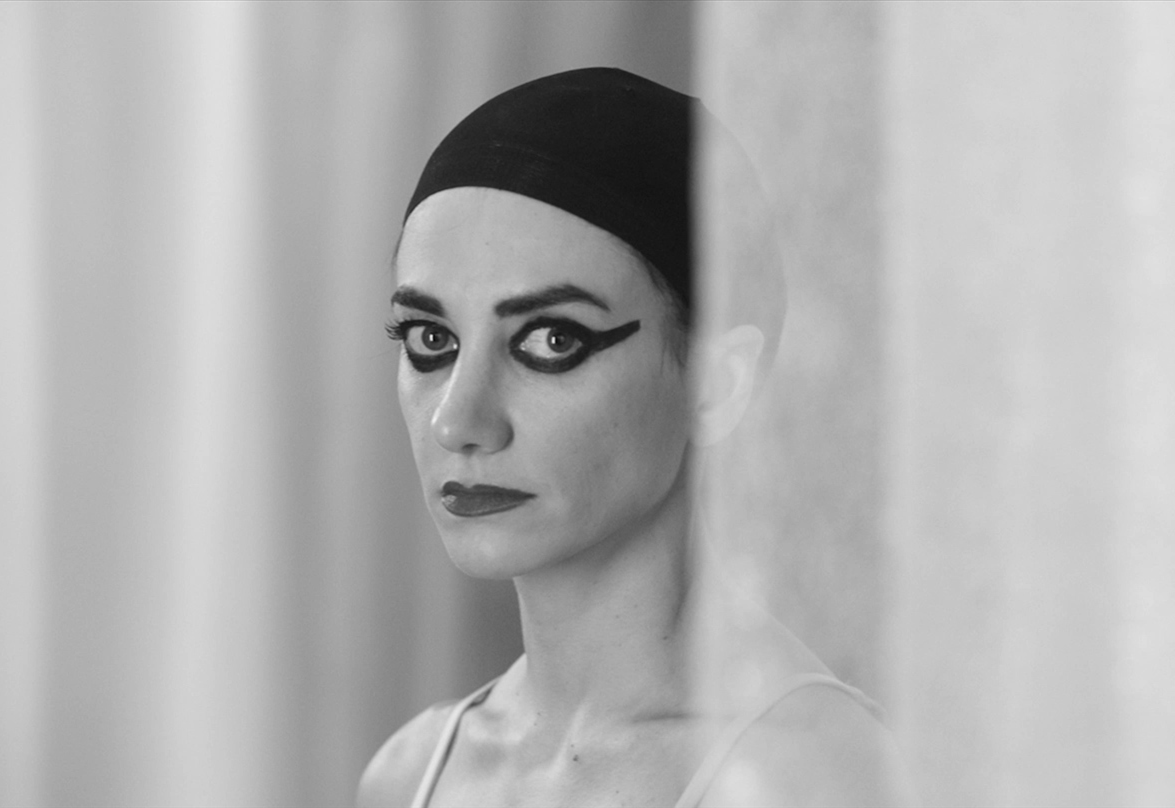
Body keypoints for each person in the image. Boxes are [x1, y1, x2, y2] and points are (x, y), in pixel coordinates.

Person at [356, 67, 897, 808]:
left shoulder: (811, 782)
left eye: (551, 341)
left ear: (717, 383)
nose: (458, 420)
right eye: (430, 339)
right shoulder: (410, 772)